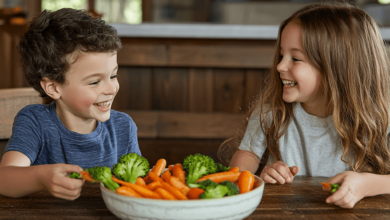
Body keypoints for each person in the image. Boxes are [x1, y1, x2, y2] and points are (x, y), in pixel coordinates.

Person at [222, 3, 390, 208]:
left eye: (295, 58)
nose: (280, 66)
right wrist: (253, 175)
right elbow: (247, 154)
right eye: (282, 55)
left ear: (337, 68)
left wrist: (367, 185)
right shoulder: (271, 112)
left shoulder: (382, 116)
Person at [0, 8, 141, 200]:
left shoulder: (123, 126)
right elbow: (4, 178)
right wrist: (41, 178)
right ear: (53, 88)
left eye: (113, 75)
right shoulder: (34, 121)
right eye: (94, 82)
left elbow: (141, 185)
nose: (111, 88)